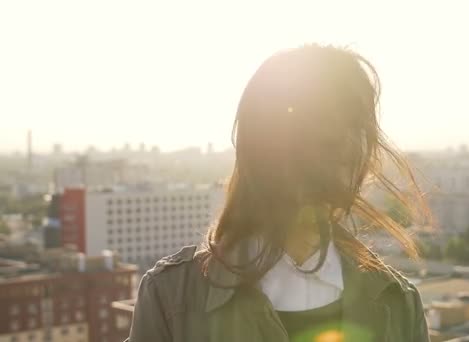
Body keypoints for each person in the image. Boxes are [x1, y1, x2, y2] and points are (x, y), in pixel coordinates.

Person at [127, 44, 431, 342]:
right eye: (317, 129)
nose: (346, 146)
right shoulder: (173, 298)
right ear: (260, 148)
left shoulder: (397, 302)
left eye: (356, 128)